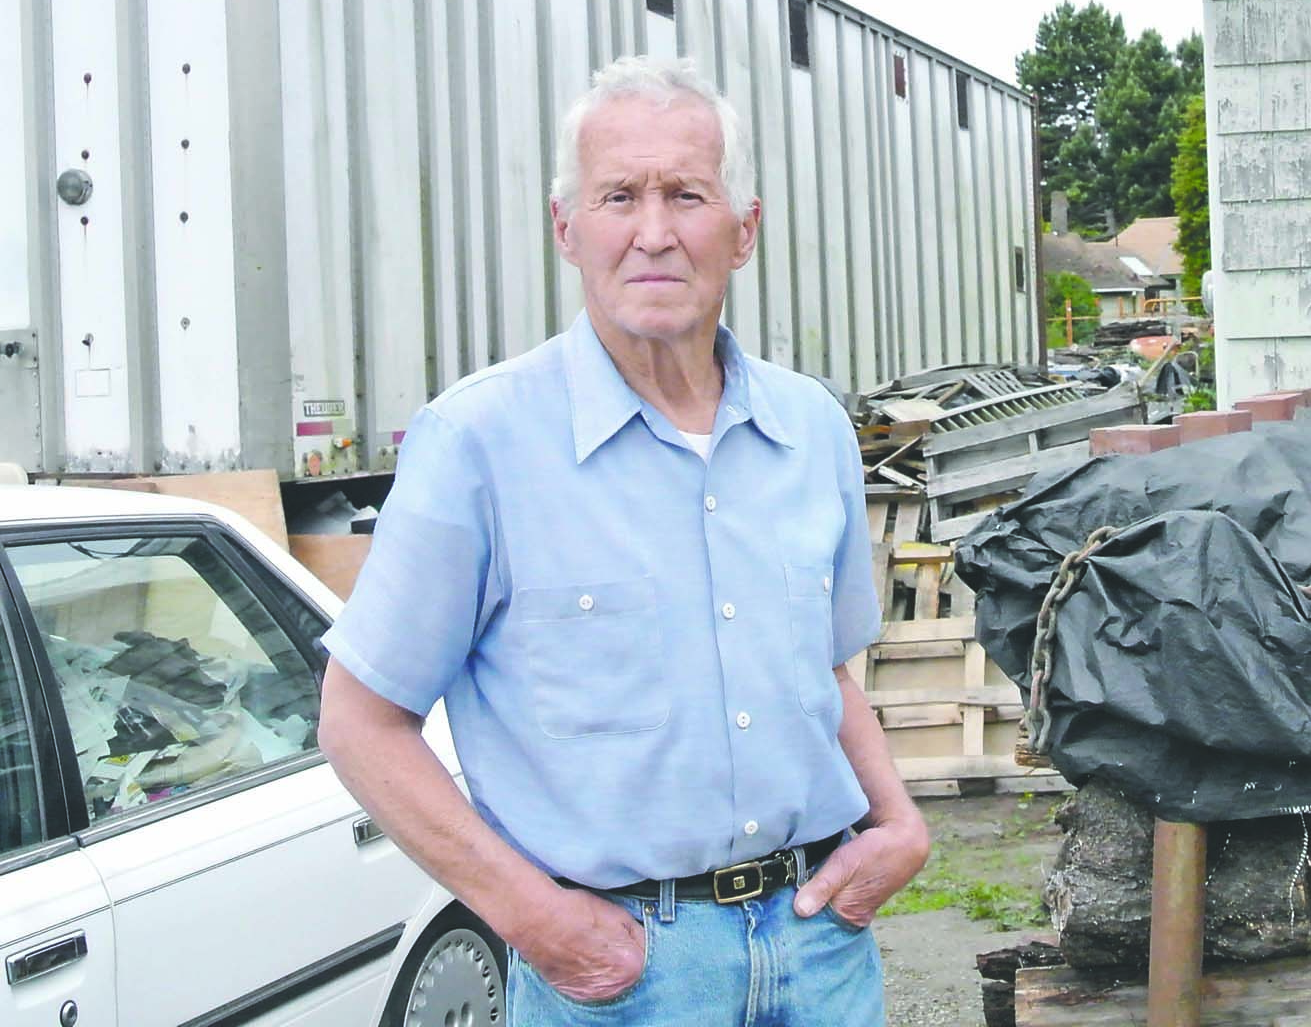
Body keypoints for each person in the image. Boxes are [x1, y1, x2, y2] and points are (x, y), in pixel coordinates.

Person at [317, 56, 928, 1026]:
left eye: (687, 194)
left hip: (821, 951)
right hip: (624, 977)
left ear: (744, 230)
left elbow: (827, 671)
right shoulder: (478, 444)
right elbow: (359, 721)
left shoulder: (811, 429)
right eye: (617, 196)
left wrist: (896, 823)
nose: (654, 233)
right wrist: (536, 919)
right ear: (567, 228)